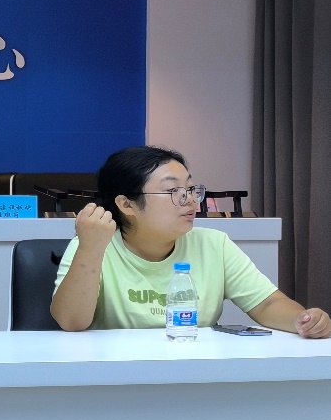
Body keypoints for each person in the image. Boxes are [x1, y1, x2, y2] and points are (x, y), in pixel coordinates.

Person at [51, 145, 330, 338]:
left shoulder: (214, 245)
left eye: (191, 188)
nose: (191, 201)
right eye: (173, 191)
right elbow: (72, 322)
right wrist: (89, 248)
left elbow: (267, 304)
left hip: (195, 371)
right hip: (117, 376)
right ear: (127, 204)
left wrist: (302, 320)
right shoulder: (93, 245)